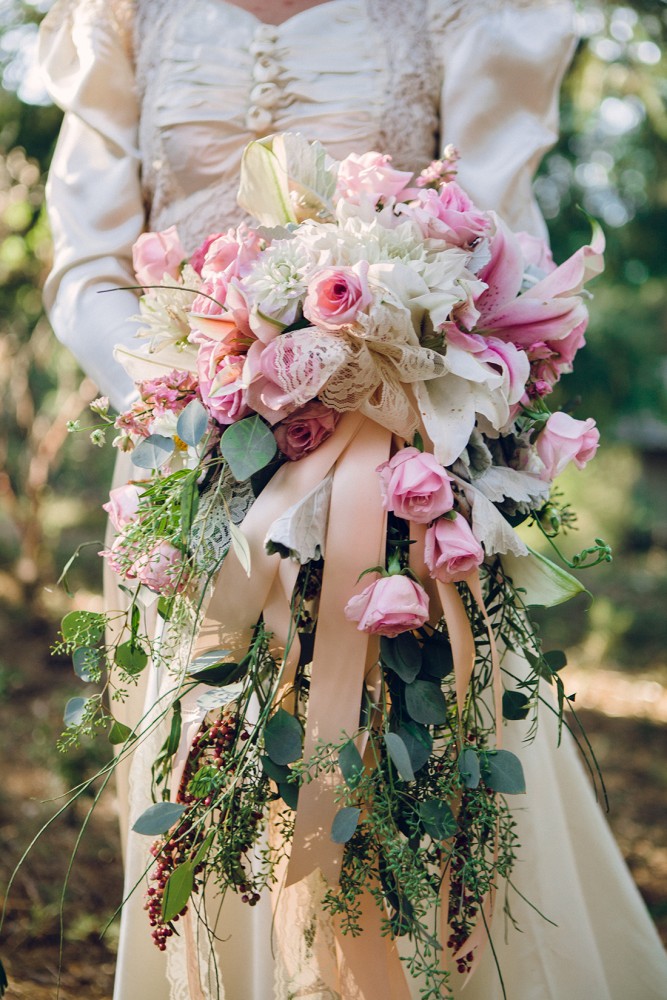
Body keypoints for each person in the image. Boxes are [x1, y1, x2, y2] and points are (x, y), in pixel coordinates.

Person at [38, 1, 667, 998]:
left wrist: (395, 405)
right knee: (204, 798)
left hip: (410, 477)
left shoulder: (458, 13)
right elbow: (83, 268)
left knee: (416, 804)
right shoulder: (121, 17)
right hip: (176, 464)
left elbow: (507, 247)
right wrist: (199, 398)